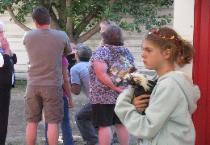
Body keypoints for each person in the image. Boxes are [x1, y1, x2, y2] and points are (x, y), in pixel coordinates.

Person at [115, 27, 200, 145]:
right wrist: (138, 108)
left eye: (148, 50)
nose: (143, 54)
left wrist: (124, 103)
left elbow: (147, 128)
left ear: (166, 53)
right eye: (142, 49)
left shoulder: (169, 85)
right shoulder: (159, 81)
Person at [23, 7, 71, 145]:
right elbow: (67, 53)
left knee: (31, 122)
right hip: (53, 85)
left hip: (32, 85)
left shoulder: (28, 36)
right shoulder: (62, 36)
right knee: (52, 122)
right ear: (49, 19)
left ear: (35, 21)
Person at [89, 25, 135, 145]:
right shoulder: (126, 51)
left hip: (103, 96)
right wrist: (123, 88)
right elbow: (132, 71)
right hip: (123, 94)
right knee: (121, 124)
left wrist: (115, 87)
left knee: (104, 126)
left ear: (104, 37)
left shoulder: (102, 51)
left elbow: (101, 74)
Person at [70, 44, 98, 145]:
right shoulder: (96, 64)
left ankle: (92, 141)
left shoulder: (76, 68)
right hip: (109, 97)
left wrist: (65, 83)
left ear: (76, 55)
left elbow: (76, 91)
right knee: (95, 118)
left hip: (97, 99)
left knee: (80, 117)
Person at [45, 56, 74, 145]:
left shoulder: (43, 57)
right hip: (60, 94)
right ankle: (68, 143)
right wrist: (70, 97)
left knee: (49, 122)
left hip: (45, 93)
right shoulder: (62, 59)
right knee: (65, 121)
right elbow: (65, 80)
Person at [0, 41, 13, 145]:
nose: (3, 36)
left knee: (3, 120)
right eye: (0, 33)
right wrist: (7, 52)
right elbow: (3, 65)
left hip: (4, 89)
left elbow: (13, 60)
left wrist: (9, 53)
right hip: (2, 88)